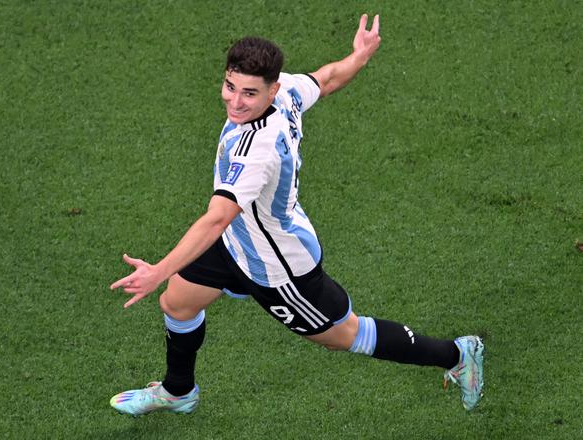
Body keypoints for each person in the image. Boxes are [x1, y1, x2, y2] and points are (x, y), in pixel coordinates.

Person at [109, 14, 484, 416]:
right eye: (230, 86)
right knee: (178, 303)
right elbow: (326, 79)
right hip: (238, 242)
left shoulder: (257, 150)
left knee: (346, 335)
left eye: (249, 94)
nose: (235, 102)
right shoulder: (287, 89)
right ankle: (179, 391)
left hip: (278, 267)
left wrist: (158, 270)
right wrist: (359, 54)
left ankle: (457, 354)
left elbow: (215, 218)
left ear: (271, 91)